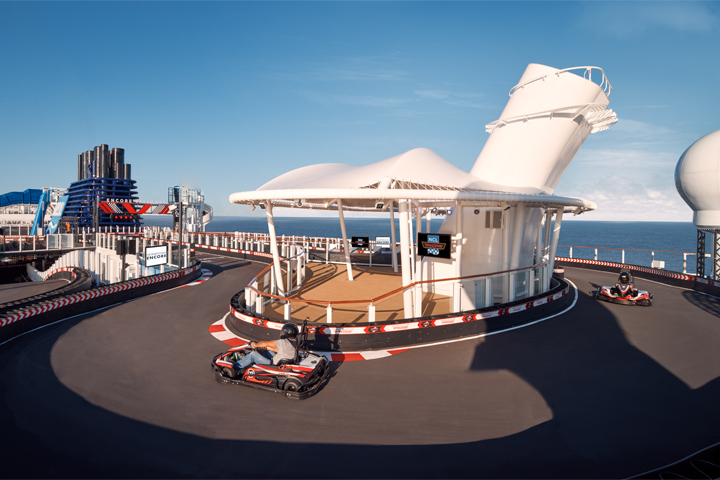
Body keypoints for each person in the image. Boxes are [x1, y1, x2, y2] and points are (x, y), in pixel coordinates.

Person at [234, 323, 298, 370]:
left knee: (253, 355)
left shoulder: (284, 342)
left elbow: (265, 343)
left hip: (273, 365)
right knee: (265, 350)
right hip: (281, 362)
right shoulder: (294, 342)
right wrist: (268, 348)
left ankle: (236, 367)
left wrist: (254, 345)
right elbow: (282, 351)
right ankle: (245, 360)